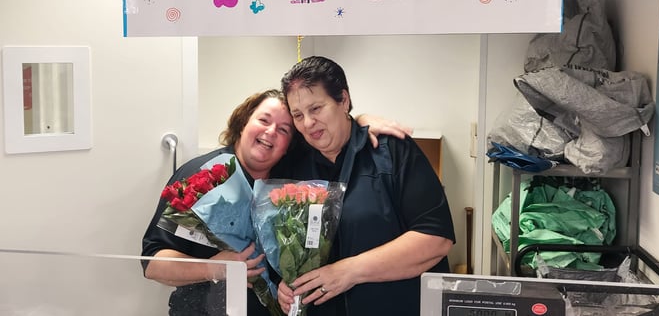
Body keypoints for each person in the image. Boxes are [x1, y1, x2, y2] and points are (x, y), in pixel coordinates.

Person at [141, 88, 411, 315]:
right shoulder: (204, 177)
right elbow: (153, 263)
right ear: (243, 123)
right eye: (263, 120)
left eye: (283, 130)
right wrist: (218, 267)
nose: (271, 132)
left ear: (289, 145)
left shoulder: (294, 182)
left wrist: (360, 121)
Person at [277, 56, 456, 316]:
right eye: (297, 115)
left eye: (316, 108)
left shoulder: (391, 151)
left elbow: (436, 239)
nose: (307, 122)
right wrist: (284, 283)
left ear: (343, 100)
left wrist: (348, 271)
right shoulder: (293, 166)